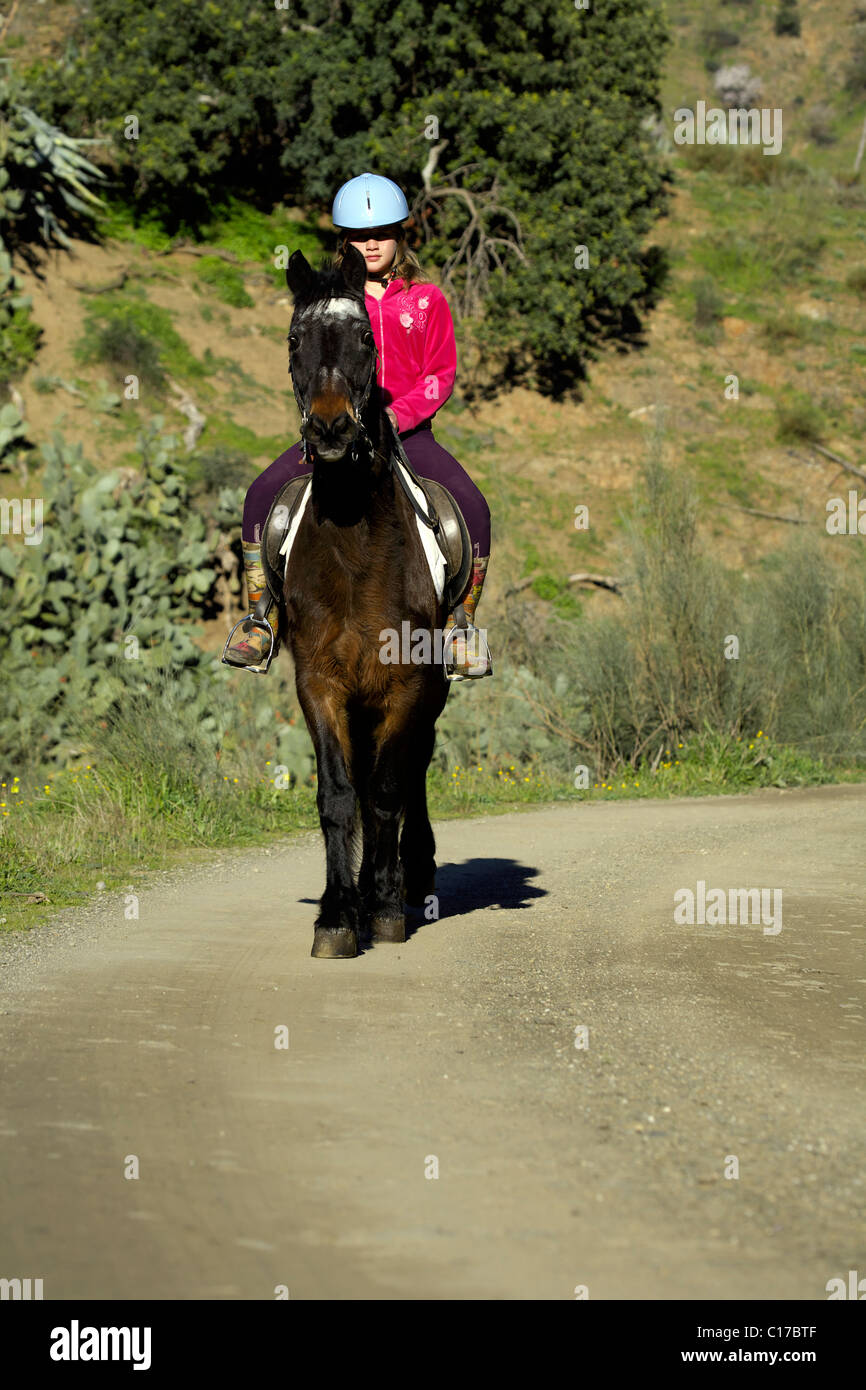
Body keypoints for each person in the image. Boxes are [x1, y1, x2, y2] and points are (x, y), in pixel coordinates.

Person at [223, 171, 491, 679]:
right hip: (333, 431)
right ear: (343, 241)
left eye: (381, 233)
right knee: (260, 496)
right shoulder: (331, 303)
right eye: (359, 236)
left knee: (474, 510)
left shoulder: (427, 301)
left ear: (401, 235)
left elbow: (441, 375)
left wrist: (396, 414)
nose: (370, 244)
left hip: (408, 437)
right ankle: (262, 619)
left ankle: (460, 626)